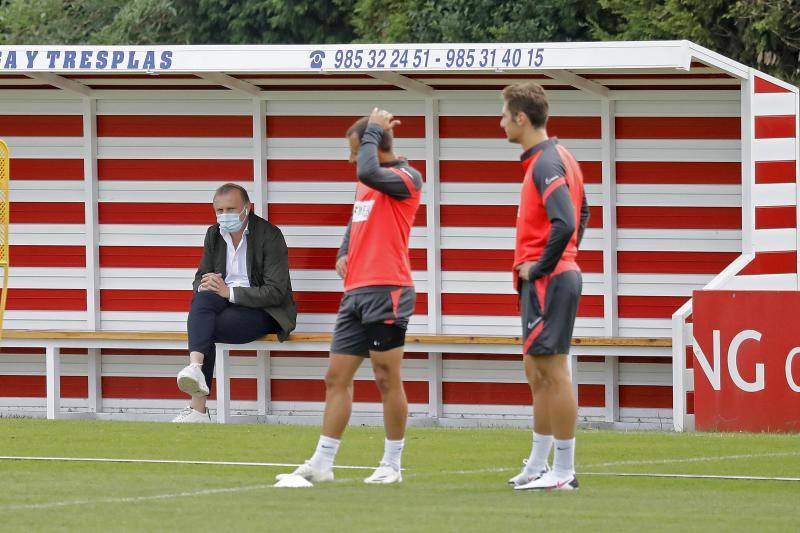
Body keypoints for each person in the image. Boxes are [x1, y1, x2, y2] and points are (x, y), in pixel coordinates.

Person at [276, 108, 422, 486]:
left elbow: (368, 171)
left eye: (355, 149)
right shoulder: (367, 181)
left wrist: (372, 132)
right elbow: (357, 219)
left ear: (375, 145)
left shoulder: (406, 176)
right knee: (335, 377)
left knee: (386, 376)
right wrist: (344, 251)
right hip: (355, 291)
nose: (350, 158)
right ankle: (322, 462)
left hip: (388, 290)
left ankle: (392, 464)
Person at [501, 83, 589, 491]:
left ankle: (564, 471)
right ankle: (538, 464)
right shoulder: (558, 156)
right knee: (537, 371)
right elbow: (583, 211)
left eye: (504, 114)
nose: (500, 121)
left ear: (521, 118)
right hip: (551, 277)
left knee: (554, 372)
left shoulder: (547, 162)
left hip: (550, 281)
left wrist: (543, 267)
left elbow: (567, 221)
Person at [172, 183, 297, 423]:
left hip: (263, 310)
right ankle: (195, 367)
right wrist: (205, 283)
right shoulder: (213, 234)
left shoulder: (270, 235)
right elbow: (200, 276)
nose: (224, 215)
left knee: (204, 327)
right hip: (222, 302)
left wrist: (229, 291)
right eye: (219, 210)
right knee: (202, 298)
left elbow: (276, 292)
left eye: (231, 209)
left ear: (247, 208)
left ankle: (198, 409)